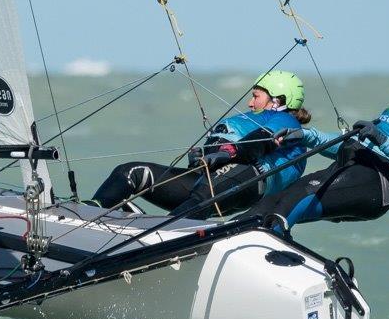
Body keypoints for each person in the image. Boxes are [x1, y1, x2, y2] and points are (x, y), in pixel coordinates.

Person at [248, 45, 389, 230]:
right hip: (348, 168)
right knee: (271, 199)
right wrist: (306, 136)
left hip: (380, 181)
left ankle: (263, 244)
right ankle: (224, 237)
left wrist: (382, 140)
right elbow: (356, 143)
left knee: (291, 201)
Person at [89, 70, 312, 218]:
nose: (250, 102)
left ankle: (162, 233)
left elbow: (259, 143)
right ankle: (89, 214)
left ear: (278, 100)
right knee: (132, 172)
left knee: (203, 195)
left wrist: (226, 152)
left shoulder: (285, 120)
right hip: (206, 180)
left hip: (247, 179)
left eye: (256, 96)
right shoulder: (252, 116)